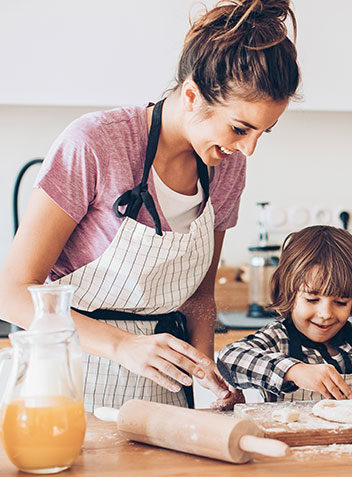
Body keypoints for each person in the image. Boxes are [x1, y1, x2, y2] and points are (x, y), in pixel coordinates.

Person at [0, 0, 300, 412]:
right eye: (240, 128)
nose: (248, 148)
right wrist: (123, 345)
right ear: (193, 96)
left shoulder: (225, 168)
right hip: (72, 379)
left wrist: (204, 375)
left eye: (264, 132)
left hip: (164, 392)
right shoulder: (95, 144)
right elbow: (12, 294)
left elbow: (199, 296)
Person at [217, 225, 352, 402]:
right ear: (289, 293)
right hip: (292, 447)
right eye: (312, 300)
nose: (325, 314)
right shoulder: (279, 337)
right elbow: (229, 358)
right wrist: (295, 371)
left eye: (340, 302)